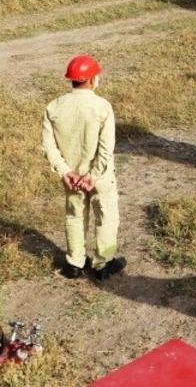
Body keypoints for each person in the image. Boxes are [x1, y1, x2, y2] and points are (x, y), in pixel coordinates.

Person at [42, 55, 124, 280]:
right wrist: (93, 175)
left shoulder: (53, 107)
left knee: (74, 216)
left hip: (71, 177)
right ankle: (103, 263)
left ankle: (75, 263)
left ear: (71, 80)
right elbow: (106, 149)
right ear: (92, 79)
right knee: (106, 216)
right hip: (100, 177)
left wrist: (65, 171)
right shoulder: (102, 106)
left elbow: (48, 146)